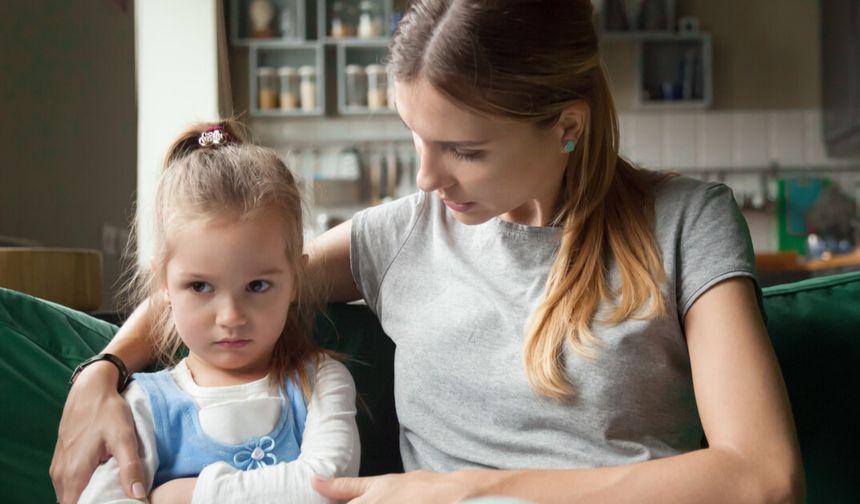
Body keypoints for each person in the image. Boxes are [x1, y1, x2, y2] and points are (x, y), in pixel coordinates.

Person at [53, 1, 804, 502]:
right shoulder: (403, 234)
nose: (425, 177)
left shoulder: (686, 222)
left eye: (464, 150)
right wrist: (102, 372)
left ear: (566, 125)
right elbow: (226, 283)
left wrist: (470, 489)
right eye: (416, 137)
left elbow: (765, 477)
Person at [73, 121, 359, 504]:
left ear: (294, 280)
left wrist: (182, 496)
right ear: (164, 285)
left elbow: (329, 485)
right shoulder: (144, 402)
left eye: (257, 286)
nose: (231, 316)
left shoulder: (321, 381)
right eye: (200, 287)